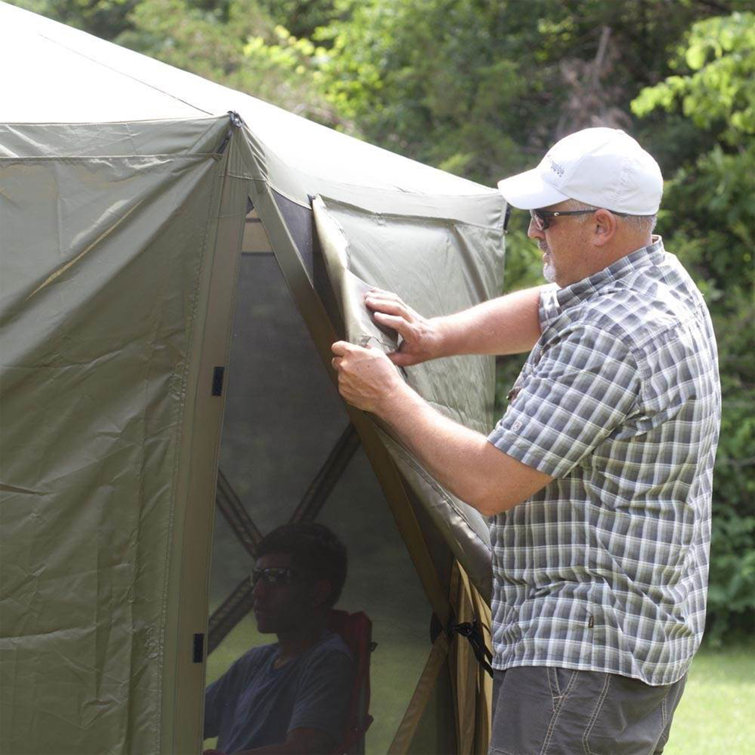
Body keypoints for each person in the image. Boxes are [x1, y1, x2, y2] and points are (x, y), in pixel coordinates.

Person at [331, 127, 721, 754]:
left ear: (600, 226)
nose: (534, 230)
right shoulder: (653, 280)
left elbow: (491, 482)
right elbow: (547, 307)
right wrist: (435, 337)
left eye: (545, 217)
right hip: (626, 645)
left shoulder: (614, 334)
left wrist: (388, 396)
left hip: (581, 657)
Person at [203, 522, 353, 755]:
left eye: (276, 578)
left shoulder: (328, 661)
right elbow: (186, 716)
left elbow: (304, 750)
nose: (258, 592)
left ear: (318, 593)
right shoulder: (254, 662)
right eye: (257, 577)